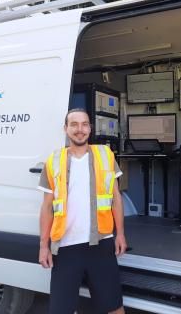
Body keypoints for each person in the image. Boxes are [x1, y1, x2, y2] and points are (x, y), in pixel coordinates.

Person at [38, 108, 127, 314]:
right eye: (74, 124)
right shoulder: (52, 161)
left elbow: (115, 198)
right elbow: (47, 208)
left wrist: (120, 234)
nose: (80, 129)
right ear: (65, 129)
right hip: (66, 248)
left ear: (90, 128)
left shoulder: (105, 155)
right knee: (61, 310)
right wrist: (44, 246)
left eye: (85, 124)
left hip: (101, 244)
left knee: (114, 308)